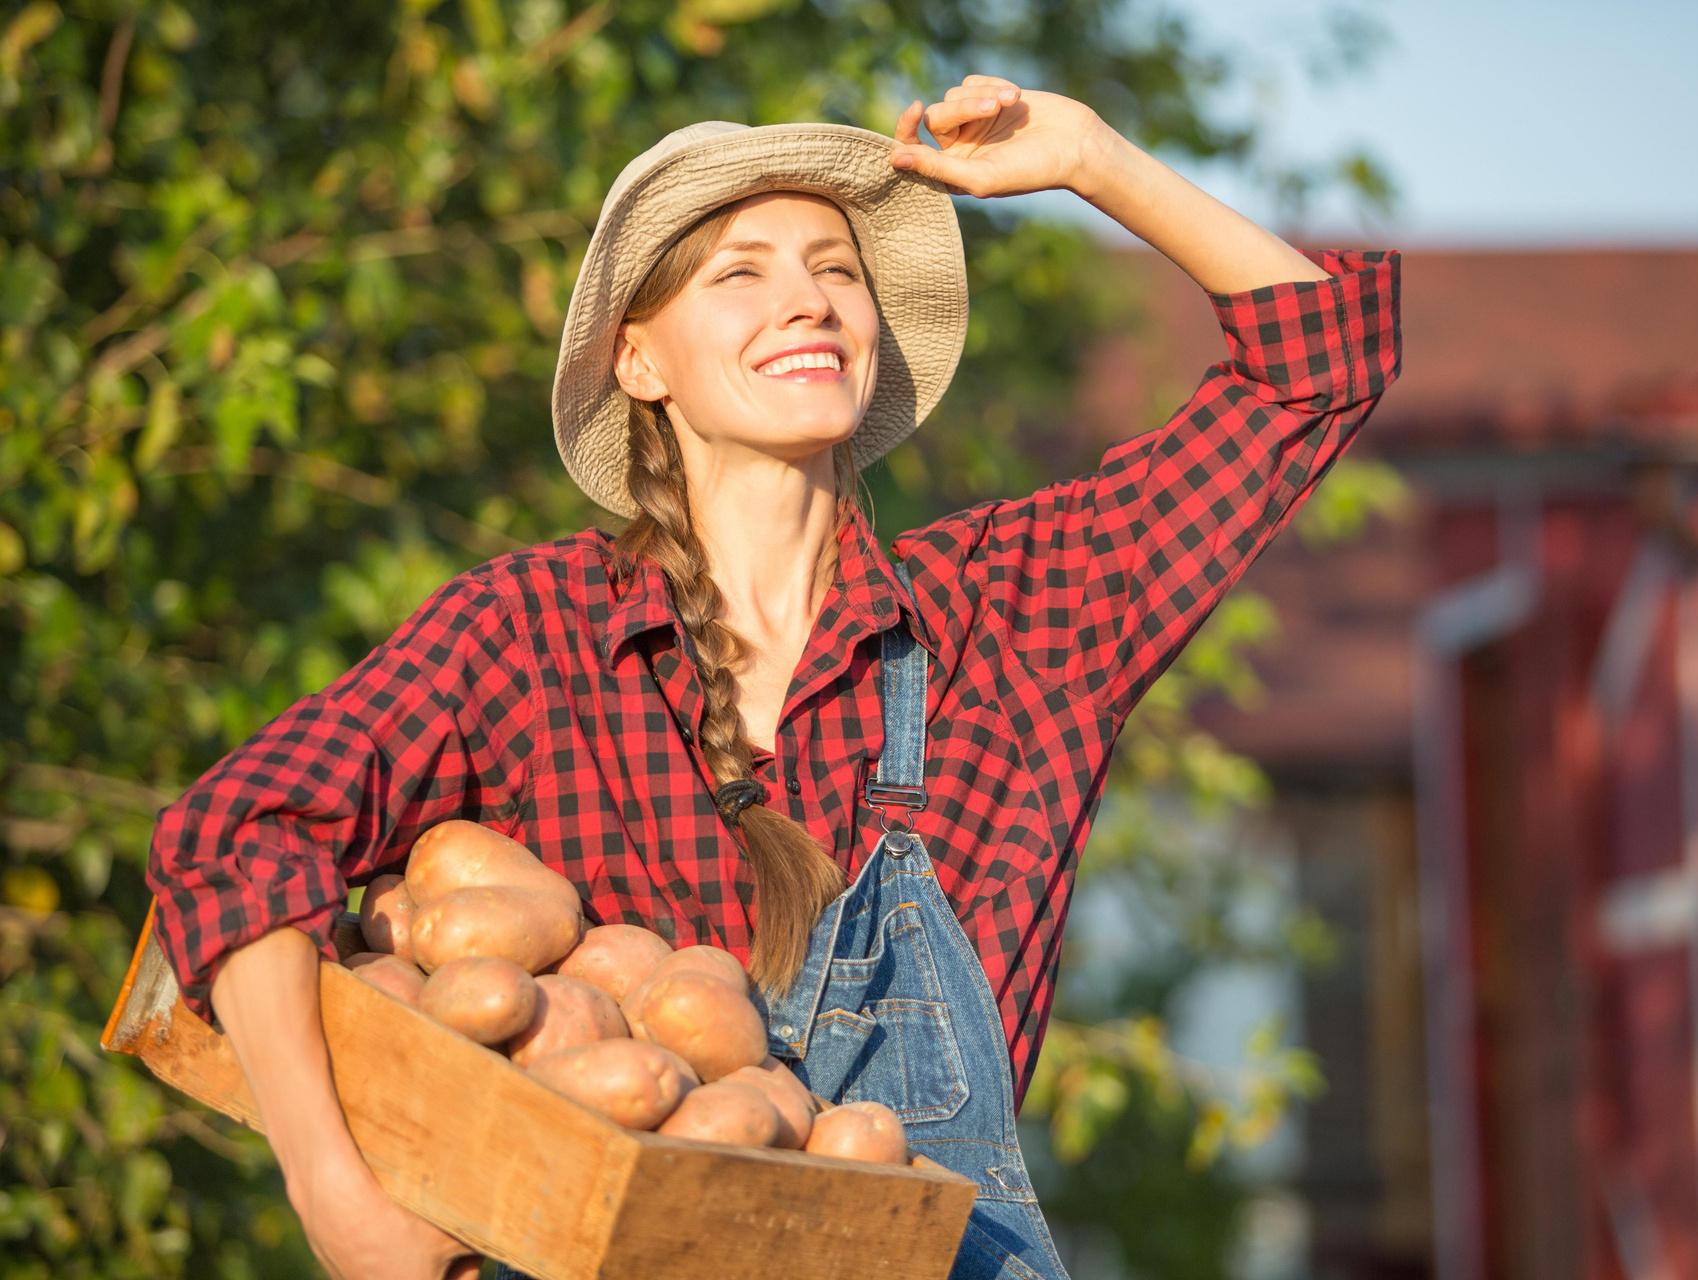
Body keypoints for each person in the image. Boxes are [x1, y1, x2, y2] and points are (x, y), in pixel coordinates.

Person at [146, 74, 1401, 1280]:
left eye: (836, 273)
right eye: (740, 275)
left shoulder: (1011, 618)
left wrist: (1084, 157)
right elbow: (237, 833)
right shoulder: (532, 633)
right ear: (640, 361)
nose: (807, 302)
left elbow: (1318, 361)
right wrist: (333, 1193)